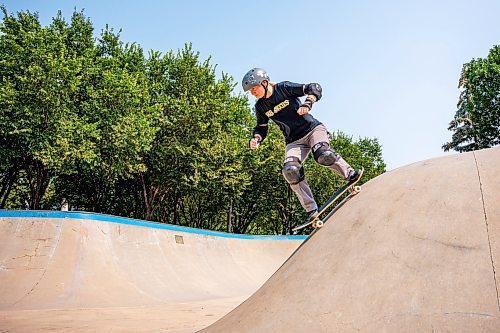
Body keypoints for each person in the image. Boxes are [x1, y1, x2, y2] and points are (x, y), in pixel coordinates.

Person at [242, 68, 361, 225]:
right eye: (250, 91)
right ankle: (312, 209)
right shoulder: (260, 107)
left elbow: (314, 87)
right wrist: (256, 138)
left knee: (323, 155)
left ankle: (349, 173)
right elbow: (261, 127)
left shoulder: (284, 88)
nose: (252, 93)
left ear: (264, 83)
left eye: (254, 88)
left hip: (313, 129)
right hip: (294, 141)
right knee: (290, 171)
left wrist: (308, 103)